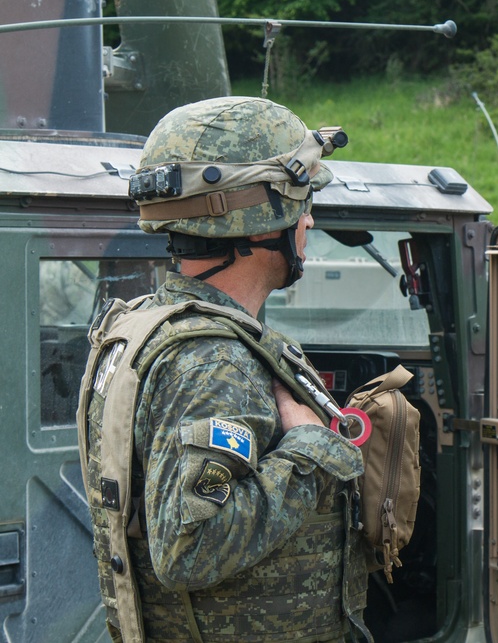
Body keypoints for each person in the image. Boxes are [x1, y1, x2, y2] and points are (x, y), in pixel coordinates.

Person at [77, 96, 369, 642]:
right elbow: (190, 548)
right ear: (260, 220)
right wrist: (309, 452)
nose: (308, 218)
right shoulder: (213, 362)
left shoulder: (147, 327)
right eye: (300, 201)